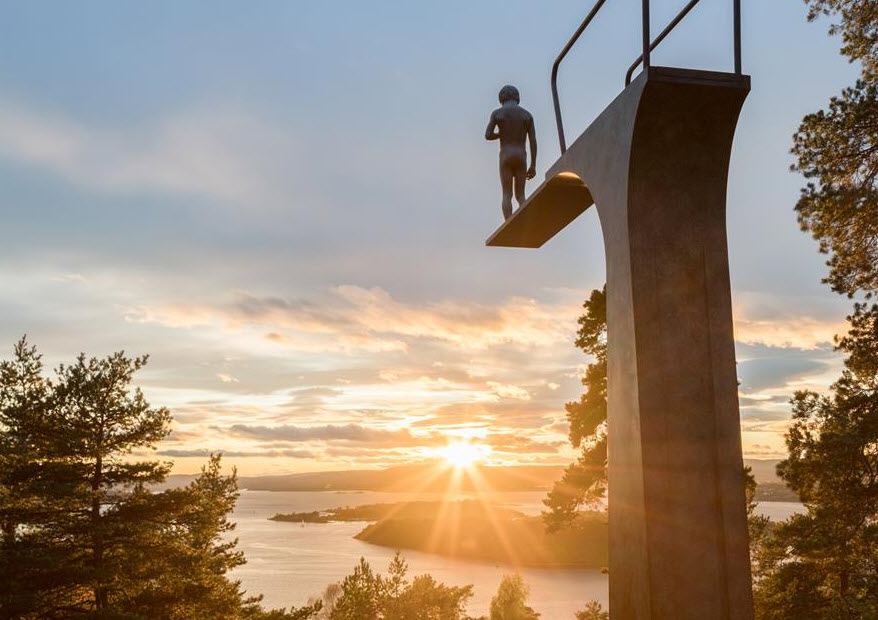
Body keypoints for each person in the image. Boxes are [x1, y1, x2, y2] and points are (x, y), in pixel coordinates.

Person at [485, 85, 537, 220]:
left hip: (506, 156)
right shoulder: (527, 115)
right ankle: (524, 221)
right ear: (517, 97)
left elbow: (488, 135)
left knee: (507, 194)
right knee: (521, 195)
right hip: (521, 156)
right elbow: (533, 142)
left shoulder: (497, 114)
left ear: (501, 98)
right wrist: (533, 165)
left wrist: (500, 134)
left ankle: (508, 222)